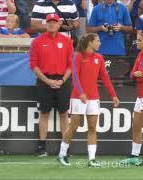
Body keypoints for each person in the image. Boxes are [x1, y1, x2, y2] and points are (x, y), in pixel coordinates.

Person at [58, 33, 119, 167]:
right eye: (97, 41)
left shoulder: (99, 58)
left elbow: (105, 78)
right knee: (73, 126)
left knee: (92, 128)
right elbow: (74, 76)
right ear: (90, 42)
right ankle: (62, 154)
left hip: (94, 98)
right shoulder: (78, 57)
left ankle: (91, 159)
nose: (99, 43)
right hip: (78, 97)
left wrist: (113, 95)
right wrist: (81, 93)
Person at [29, 13, 73, 157]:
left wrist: (63, 80)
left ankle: (65, 148)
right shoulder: (37, 42)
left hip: (63, 80)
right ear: (46, 24)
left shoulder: (67, 41)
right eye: (49, 22)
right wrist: (47, 80)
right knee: (44, 113)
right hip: (44, 80)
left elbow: (70, 65)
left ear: (59, 24)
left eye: (54, 22)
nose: (52, 24)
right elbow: (34, 65)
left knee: (64, 114)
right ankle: (41, 146)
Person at [119, 31, 143, 166]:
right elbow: (132, 74)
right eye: (137, 40)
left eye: (140, 40)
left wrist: (138, 74)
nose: (137, 42)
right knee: (136, 126)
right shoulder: (140, 54)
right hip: (141, 94)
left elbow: (139, 76)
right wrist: (137, 74)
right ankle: (134, 155)